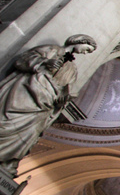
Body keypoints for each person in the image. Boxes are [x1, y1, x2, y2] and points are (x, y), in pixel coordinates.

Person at [0, 35, 97, 176]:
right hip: (26, 92)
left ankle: (7, 162)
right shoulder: (51, 50)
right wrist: (44, 63)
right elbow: (23, 60)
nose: (85, 53)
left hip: (42, 108)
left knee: (30, 132)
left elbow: (66, 91)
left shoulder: (72, 70)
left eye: (88, 52)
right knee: (6, 122)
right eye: (87, 49)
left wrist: (62, 100)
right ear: (79, 41)